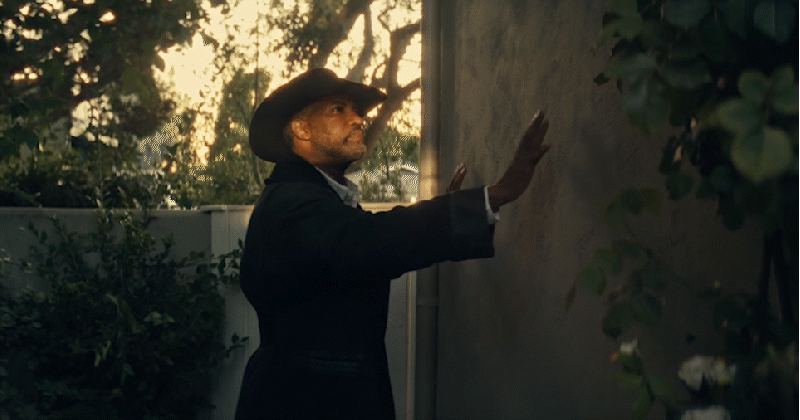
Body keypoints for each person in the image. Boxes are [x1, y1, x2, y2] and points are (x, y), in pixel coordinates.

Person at [234, 68, 550, 420]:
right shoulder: (291, 202)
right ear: (301, 129)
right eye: (339, 109)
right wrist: (492, 196)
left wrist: (455, 212)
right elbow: (372, 240)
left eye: (358, 111)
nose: (358, 119)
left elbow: (372, 248)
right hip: (302, 403)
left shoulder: (318, 200)